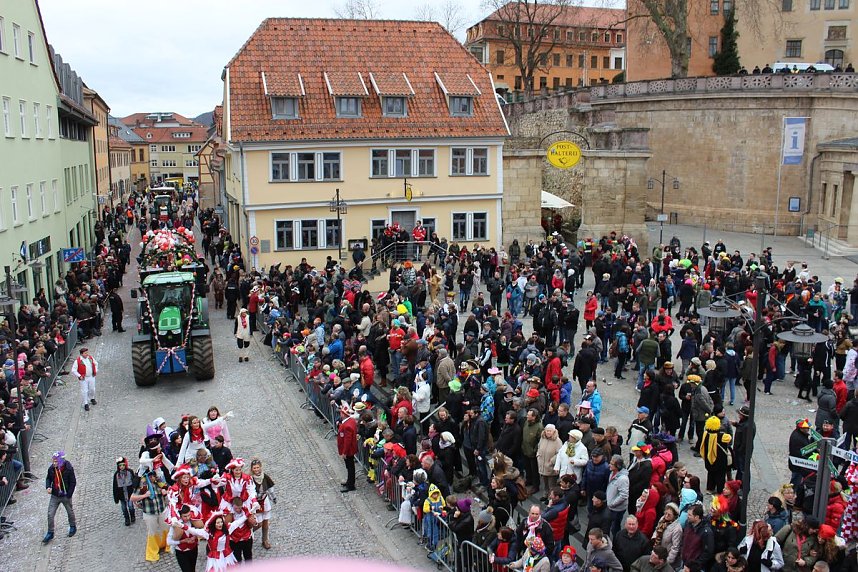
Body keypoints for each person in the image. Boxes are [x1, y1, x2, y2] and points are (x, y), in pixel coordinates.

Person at [130, 468, 170, 562]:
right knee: (152, 532)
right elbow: (132, 498)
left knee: (166, 528)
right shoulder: (142, 485)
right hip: (150, 513)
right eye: (151, 476)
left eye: (154, 475)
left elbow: (170, 489)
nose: (153, 478)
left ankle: (167, 545)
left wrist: (166, 492)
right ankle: (153, 550)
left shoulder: (159, 482)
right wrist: (144, 496)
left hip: (162, 510)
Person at [43, 451, 77, 543]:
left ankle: (73, 526)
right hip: (55, 494)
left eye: (56, 462)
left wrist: (69, 494)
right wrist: (48, 486)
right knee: (50, 514)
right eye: (53, 461)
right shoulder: (51, 469)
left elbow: (73, 482)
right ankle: (50, 532)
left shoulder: (68, 469)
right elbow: (48, 478)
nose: (54, 463)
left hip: (65, 495)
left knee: (70, 511)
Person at [167, 504, 207, 572]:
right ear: (180, 516)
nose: (188, 518)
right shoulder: (176, 525)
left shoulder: (193, 522)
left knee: (192, 569)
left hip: (193, 549)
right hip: (181, 552)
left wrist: (195, 536)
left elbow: (200, 531)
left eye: (189, 515)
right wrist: (183, 541)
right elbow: (169, 541)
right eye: (185, 516)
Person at [249, 458, 275, 549]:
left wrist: (273, 497)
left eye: (258, 467)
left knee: (265, 522)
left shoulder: (264, 476)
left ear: (260, 467)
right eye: (254, 468)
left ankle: (265, 540)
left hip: (264, 500)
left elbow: (270, 488)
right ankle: (247, 534)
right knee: (258, 523)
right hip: (256, 503)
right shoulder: (250, 479)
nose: (256, 469)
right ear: (252, 469)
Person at [337, 402, 358, 492]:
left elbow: (347, 441)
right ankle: (349, 482)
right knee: (350, 467)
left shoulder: (347, 425)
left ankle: (350, 485)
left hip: (348, 450)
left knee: (350, 467)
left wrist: (344, 452)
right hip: (349, 449)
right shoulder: (350, 421)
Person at [113, 456, 140, 526]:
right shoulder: (116, 475)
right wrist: (116, 498)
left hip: (130, 493)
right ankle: (127, 519)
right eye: (120, 465)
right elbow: (115, 487)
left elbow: (134, 482)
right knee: (124, 508)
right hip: (121, 494)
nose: (122, 467)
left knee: (130, 506)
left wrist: (136, 491)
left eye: (123, 465)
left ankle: (132, 516)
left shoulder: (130, 472)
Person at [73, 347, 98, 411]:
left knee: (92, 389)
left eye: (87, 352)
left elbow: (96, 364)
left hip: (91, 376)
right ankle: (85, 403)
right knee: (84, 391)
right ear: (81, 354)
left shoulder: (90, 358)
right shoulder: (77, 361)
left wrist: (95, 370)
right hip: (84, 378)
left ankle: (92, 398)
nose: (87, 354)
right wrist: (79, 375)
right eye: (85, 353)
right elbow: (73, 370)